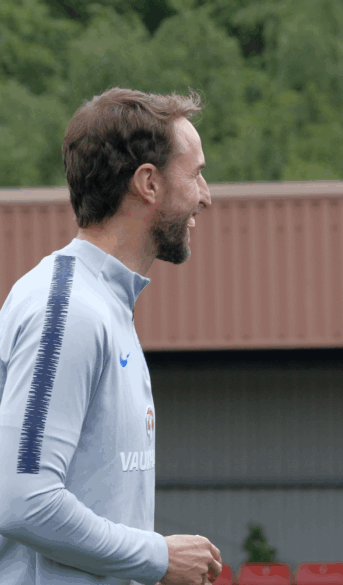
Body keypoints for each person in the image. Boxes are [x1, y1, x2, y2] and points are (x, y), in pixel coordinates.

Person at [0, 88, 222, 585]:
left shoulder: (102, 304)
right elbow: (23, 501)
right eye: (196, 173)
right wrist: (158, 558)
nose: (205, 196)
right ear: (148, 183)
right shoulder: (68, 308)